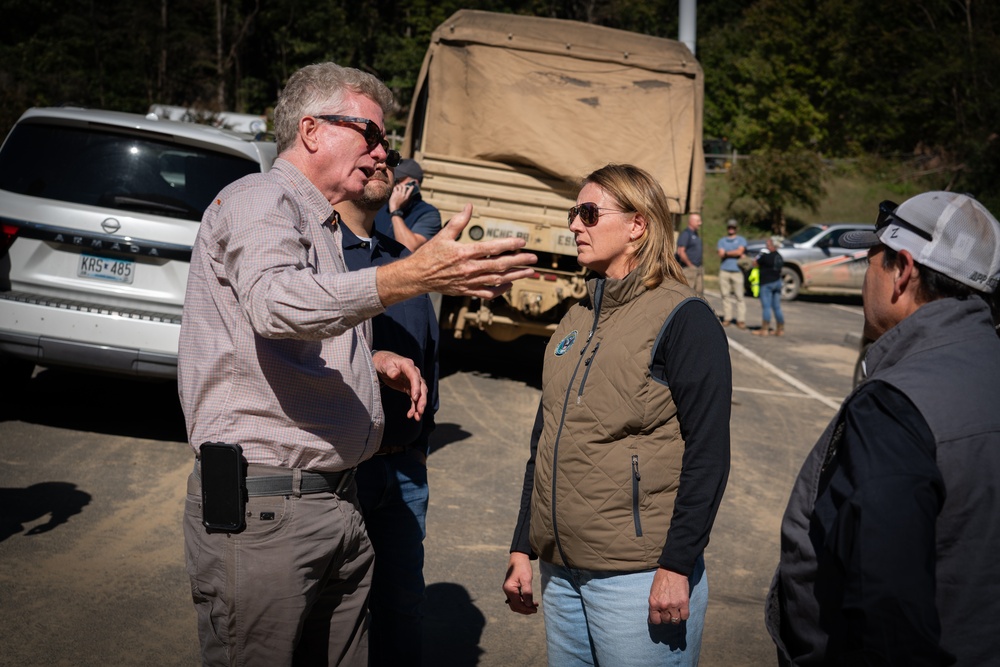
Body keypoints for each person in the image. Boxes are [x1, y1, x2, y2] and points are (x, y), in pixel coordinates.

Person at [178, 62, 536, 667]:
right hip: (267, 513)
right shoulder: (260, 200)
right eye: (370, 133)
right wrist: (412, 274)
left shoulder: (318, 221)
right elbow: (276, 306)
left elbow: (279, 336)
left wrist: (369, 360)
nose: (382, 153)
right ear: (312, 130)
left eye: (386, 141)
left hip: (332, 503)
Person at [502, 164, 732, 666]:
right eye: (573, 213)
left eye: (589, 213)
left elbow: (709, 454)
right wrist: (525, 544)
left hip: (639, 581)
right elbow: (545, 440)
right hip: (561, 576)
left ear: (637, 225)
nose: (574, 225)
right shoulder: (577, 314)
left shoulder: (685, 319)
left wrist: (676, 565)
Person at [765, 192, 1000, 666]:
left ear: (903, 270)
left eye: (872, 258)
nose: (865, 274)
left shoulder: (895, 407)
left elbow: (886, 608)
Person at [338, 157, 438, 666]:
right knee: (337, 612)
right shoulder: (321, 259)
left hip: (402, 471)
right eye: (370, 160)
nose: (383, 166)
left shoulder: (404, 259)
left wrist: (417, 453)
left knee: (401, 608)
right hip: (338, 470)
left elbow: (429, 359)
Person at [374, 157, 441, 251]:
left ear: (413, 184)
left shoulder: (429, 214)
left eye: (398, 181)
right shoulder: (380, 203)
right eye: (392, 179)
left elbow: (408, 247)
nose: (393, 184)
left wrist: (395, 211)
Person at [717, 219, 747, 328]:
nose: (731, 229)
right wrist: (734, 253)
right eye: (730, 227)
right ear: (727, 228)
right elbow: (721, 254)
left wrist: (727, 253)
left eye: (733, 227)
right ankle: (727, 318)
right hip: (724, 270)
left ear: (736, 228)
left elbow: (740, 251)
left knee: (739, 296)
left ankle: (741, 320)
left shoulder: (741, 240)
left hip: (737, 271)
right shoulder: (722, 241)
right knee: (725, 295)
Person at [752, 236, 785, 336]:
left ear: (772, 246)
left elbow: (755, 264)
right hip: (778, 282)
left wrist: (759, 256)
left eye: (768, 244)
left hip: (766, 283)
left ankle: (764, 329)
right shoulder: (779, 257)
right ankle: (780, 329)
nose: (766, 245)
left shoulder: (765, 256)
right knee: (777, 307)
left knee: (766, 307)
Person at [675, 212, 704, 296]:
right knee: (688, 293)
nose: (700, 223)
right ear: (691, 221)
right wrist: (690, 265)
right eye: (698, 221)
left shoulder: (695, 234)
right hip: (689, 269)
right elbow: (681, 251)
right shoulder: (686, 234)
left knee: (698, 294)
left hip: (698, 268)